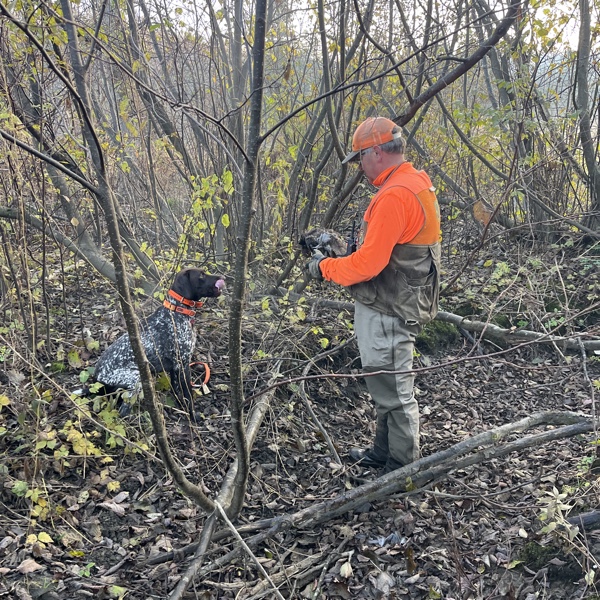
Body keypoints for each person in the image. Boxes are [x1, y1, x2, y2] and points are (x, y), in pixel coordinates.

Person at [306, 116, 441, 473]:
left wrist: (324, 268)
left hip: (389, 309)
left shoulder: (395, 195)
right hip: (395, 301)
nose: (360, 167)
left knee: (395, 392)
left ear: (377, 152)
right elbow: (386, 253)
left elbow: (367, 265)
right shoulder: (414, 182)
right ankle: (382, 453)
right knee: (386, 386)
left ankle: (400, 470)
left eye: (360, 158)